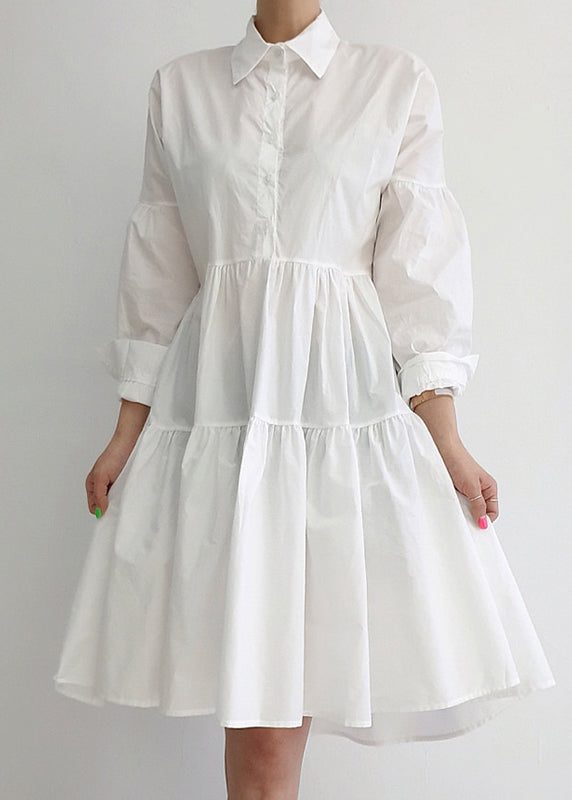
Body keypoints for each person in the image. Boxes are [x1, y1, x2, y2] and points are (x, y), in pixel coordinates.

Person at [53, 2, 556, 798]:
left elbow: (417, 280)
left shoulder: (394, 83)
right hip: (221, 414)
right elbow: (159, 273)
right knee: (258, 733)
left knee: (292, 698)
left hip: (341, 415)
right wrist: (125, 432)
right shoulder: (178, 90)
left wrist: (449, 441)